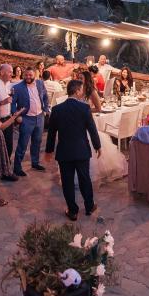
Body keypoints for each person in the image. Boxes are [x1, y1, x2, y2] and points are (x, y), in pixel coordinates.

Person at [44, 79, 102, 221]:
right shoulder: (84, 108)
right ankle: (89, 206)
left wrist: (49, 151)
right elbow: (92, 129)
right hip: (81, 150)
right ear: (77, 91)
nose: (82, 92)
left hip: (64, 152)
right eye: (81, 90)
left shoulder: (57, 110)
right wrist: (97, 146)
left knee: (67, 181)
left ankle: (73, 211)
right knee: (85, 179)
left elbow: (51, 133)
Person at [10, 68, 49, 176]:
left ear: (34, 75)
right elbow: (12, 104)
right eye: (26, 75)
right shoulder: (17, 87)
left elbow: (45, 97)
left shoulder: (40, 83)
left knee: (37, 142)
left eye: (30, 75)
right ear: (23, 75)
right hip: (26, 119)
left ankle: (35, 163)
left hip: (40, 117)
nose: (28, 77)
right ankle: (17, 168)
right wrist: (16, 116)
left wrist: (45, 110)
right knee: (23, 144)